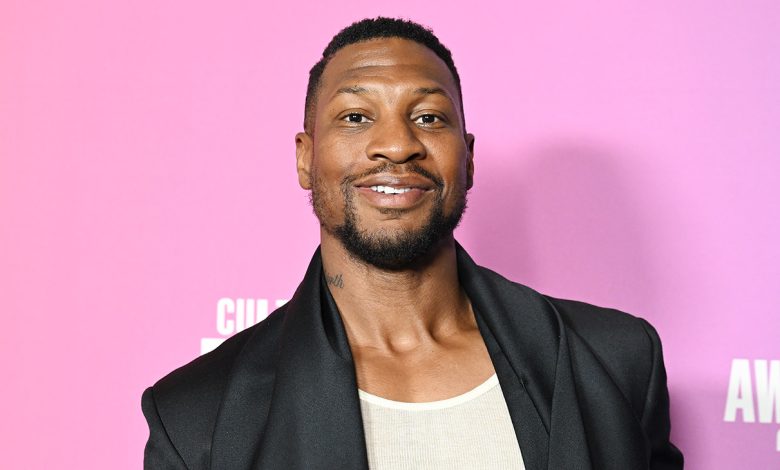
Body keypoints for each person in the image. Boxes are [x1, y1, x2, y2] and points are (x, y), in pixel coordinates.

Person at [142, 17, 684, 470]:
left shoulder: (615, 361)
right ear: (306, 158)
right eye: (356, 117)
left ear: (467, 158)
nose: (398, 145)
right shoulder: (198, 417)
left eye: (428, 117)